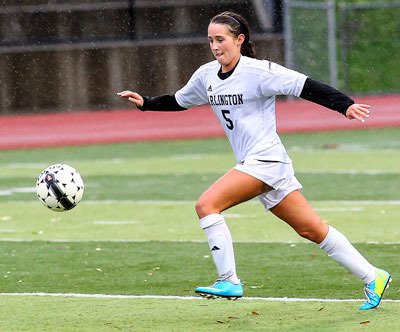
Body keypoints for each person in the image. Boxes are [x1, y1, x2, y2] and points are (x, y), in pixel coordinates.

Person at [118, 11, 391, 310]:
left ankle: (229, 280)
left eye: (221, 39)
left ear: (239, 40)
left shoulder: (258, 71)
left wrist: (345, 106)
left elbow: (306, 86)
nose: (215, 46)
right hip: (263, 165)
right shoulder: (207, 74)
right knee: (312, 230)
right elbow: (180, 100)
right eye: (211, 40)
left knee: (206, 205)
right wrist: (146, 103)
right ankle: (373, 276)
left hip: (266, 161)